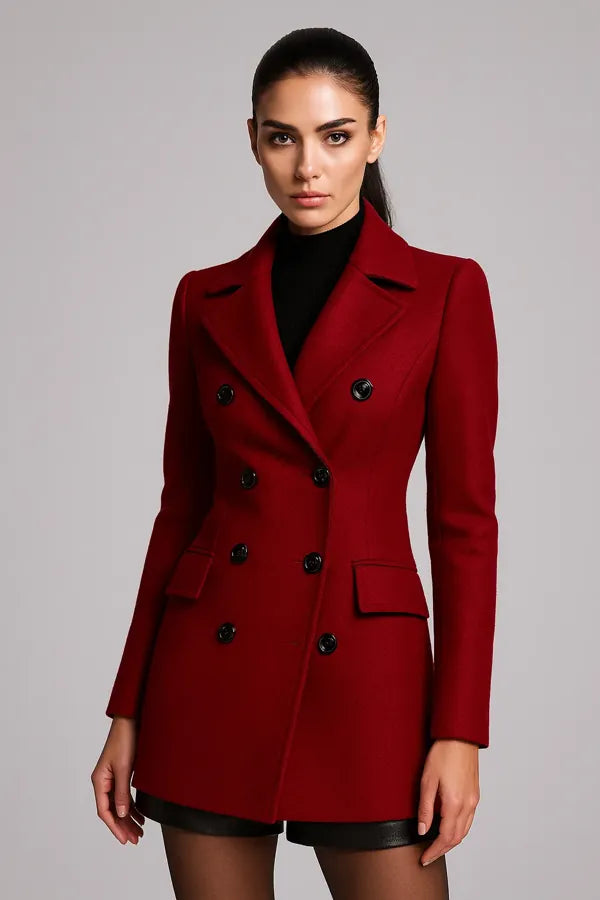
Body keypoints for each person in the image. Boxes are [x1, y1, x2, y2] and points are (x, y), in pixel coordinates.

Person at [91, 26, 498, 900]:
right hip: (211, 671)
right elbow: (182, 509)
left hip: (366, 678)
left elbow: (465, 526)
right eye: (283, 137)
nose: (307, 166)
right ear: (253, 141)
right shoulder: (206, 298)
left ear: (376, 137)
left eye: (335, 135)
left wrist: (460, 730)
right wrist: (127, 707)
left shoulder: (444, 291)